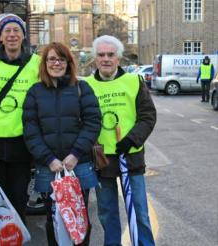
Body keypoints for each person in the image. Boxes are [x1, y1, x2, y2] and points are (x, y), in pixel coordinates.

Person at [22, 42, 101, 246]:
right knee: (54, 219)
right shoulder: (35, 92)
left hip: (79, 164)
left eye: (61, 59)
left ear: (68, 62)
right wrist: (48, 159)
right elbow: (31, 130)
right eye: (51, 59)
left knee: (79, 219)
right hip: (49, 167)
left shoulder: (82, 88)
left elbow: (93, 123)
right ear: (44, 63)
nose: (56, 63)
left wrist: (75, 154)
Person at [85, 35, 156, 246]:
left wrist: (131, 139)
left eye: (111, 54)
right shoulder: (86, 86)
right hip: (102, 159)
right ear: (95, 58)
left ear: (118, 58)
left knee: (140, 212)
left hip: (130, 157)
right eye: (101, 55)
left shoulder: (134, 81)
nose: (106, 59)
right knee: (107, 213)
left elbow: (148, 116)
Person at [0, 13, 41, 222]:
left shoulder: (35, 63)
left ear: (23, 36)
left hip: (22, 142)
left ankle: (16, 237)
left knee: (18, 198)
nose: (12, 35)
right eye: (7, 31)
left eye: (16, 31)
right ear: (1, 37)